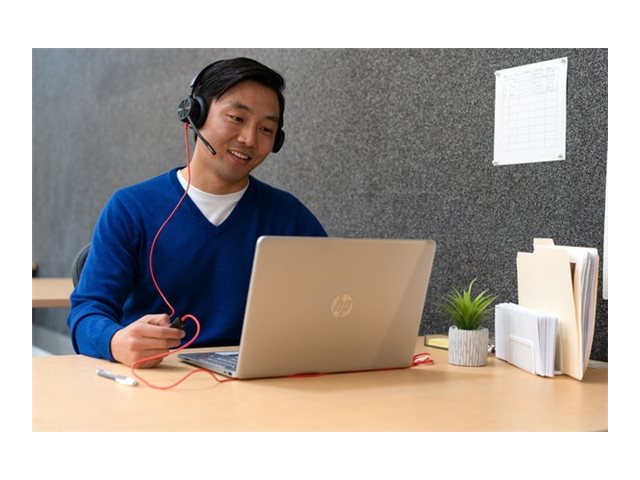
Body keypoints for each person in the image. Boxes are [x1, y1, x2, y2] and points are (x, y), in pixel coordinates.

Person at [67, 57, 327, 368]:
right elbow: (86, 313)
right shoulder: (130, 208)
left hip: (257, 381)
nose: (249, 139)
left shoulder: (290, 217)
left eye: (266, 129)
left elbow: (332, 306)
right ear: (195, 114)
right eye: (236, 118)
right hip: (158, 380)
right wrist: (115, 341)